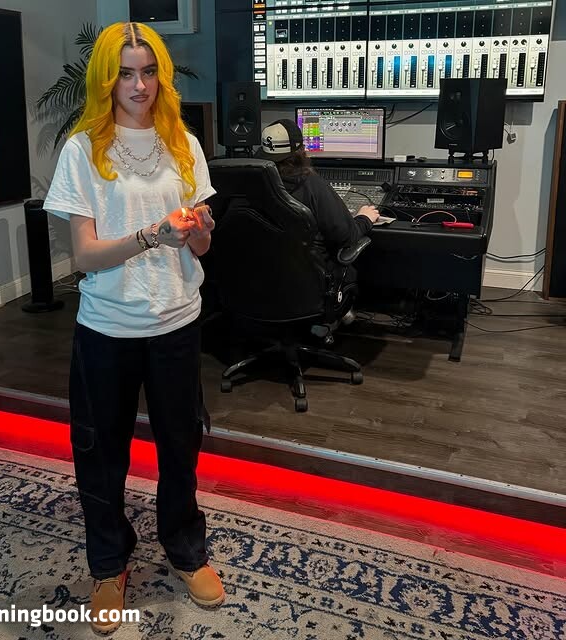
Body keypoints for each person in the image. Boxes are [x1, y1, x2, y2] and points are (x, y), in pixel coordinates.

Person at [43, 21, 224, 635]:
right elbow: (84, 255)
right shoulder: (82, 151)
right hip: (106, 327)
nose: (138, 85)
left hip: (176, 321)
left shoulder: (184, 145)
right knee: (100, 454)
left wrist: (197, 232)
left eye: (148, 71)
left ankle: (185, 548)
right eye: (125, 73)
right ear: (106, 79)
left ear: (161, 76)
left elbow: (200, 245)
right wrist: (151, 235)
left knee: (180, 445)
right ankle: (107, 564)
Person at [254, 119, 379, 291]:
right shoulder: (311, 185)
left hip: (257, 286)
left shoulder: (249, 186)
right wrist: (364, 219)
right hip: (308, 287)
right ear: (301, 152)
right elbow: (346, 236)